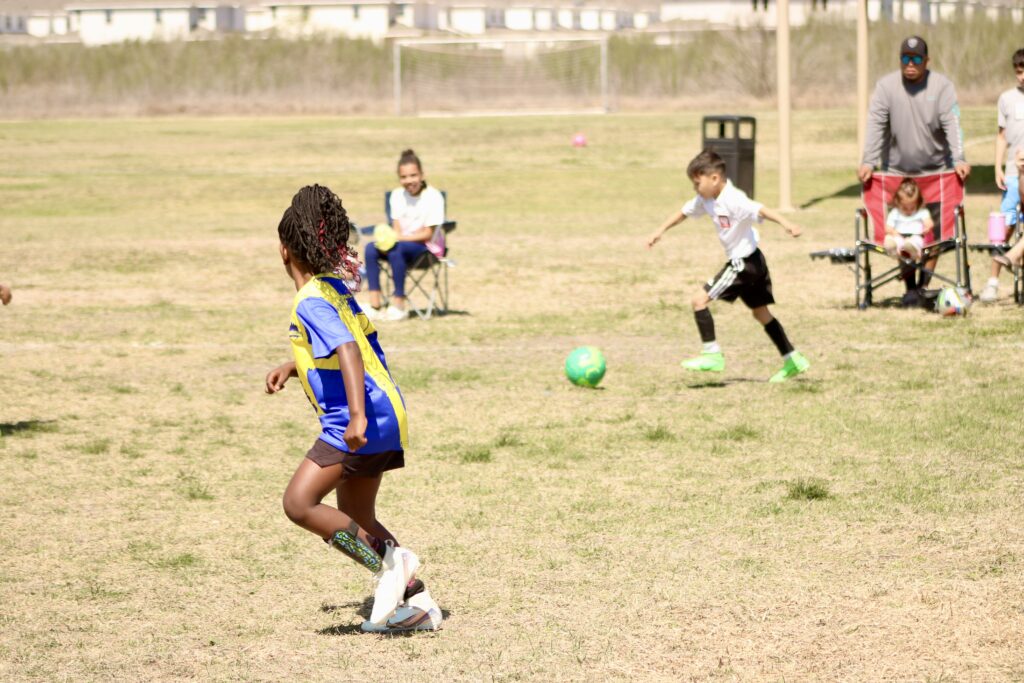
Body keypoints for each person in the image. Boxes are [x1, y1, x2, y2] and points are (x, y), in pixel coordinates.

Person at [265, 184, 442, 633]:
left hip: (357, 420)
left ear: (285, 251)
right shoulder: (333, 290)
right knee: (357, 516)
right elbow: (347, 346)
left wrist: (357, 417)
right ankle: (417, 602)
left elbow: (347, 349)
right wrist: (294, 366)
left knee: (299, 503)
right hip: (386, 413)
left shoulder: (310, 300)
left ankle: (392, 563)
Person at [646, 150, 810, 383]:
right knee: (761, 313)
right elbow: (683, 212)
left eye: (697, 183)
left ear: (714, 178)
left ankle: (712, 355)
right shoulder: (706, 199)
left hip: (743, 263)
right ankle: (793, 359)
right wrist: (659, 230)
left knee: (699, 301)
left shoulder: (733, 198)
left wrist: (787, 224)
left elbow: (760, 209)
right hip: (754, 261)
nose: (695, 189)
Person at [858, 36, 970, 300]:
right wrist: (868, 160)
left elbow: (952, 124)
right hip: (898, 175)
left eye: (916, 58)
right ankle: (910, 289)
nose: (910, 63)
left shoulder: (942, 87)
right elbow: (875, 125)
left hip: (936, 174)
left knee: (934, 236)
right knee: (904, 235)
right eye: (905, 58)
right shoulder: (886, 87)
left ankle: (923, 285)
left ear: (926, 61)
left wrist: (959, 158)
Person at [364, 149, 446, 322]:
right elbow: (397, 229)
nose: (409, 181)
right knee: (370, 248)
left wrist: (397, 238)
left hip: (426, 249)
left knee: (396, 249)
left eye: (413, 175)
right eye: (404, 177)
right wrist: (392, 238)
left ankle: (399, 305)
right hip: (401, 244)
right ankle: (375, 305)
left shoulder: (433, 196)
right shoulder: (396, 195)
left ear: (422, 175)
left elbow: (427, 234)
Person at [981, 49, 1024, 302]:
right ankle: (993, 282)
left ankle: (1015, 257)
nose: (1023, 76)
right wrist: (997, 167)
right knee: (1003, 227)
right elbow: (1001, 137)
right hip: (1012, 174)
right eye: (1019, 72)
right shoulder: (1006, 99)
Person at [884, 177, 933, 265]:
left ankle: (912, 250)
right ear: (898, 202)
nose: (909, 210)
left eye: (912, 207)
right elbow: (888, 228)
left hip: (916, 236)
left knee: (915, 241)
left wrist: (927, 227)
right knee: (890, 238)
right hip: (898, 235)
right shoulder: (895, 212)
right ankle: (892, 250)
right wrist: (893, 232)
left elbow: (929, 222)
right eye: (905, 208)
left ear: (918, 202)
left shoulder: (922, 212)